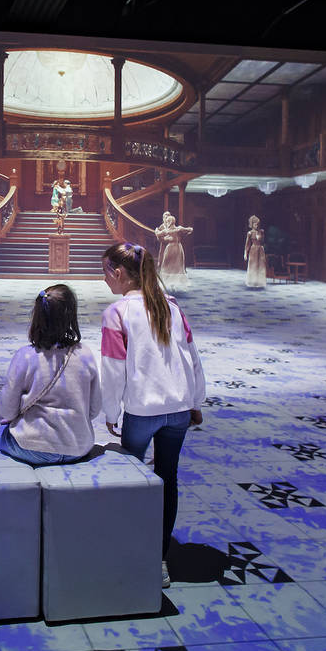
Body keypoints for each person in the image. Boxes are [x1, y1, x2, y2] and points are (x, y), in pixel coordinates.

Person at [100, 242, 206, 588]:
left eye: (105, 272)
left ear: (118, 273)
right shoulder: (171, 306)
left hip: (142, 410)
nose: (104, 280)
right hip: (177, 410)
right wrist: (195, 401)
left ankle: (130, 550)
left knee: (131, 482)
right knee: (167, 479)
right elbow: (192, 356)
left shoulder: (117, 313)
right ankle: (160, 559)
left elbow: (114, 369)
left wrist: (110, 411)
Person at [0, 284, 102, 465]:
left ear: (37, 316)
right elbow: (94, 409)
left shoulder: (25, 356)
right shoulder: (84, 353)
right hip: (79, 447)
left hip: (32, 446)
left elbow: (7, 411)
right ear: (71, 315)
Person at [155, 212, 194, 292]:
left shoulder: (170, 230)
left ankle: (172, 283)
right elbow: (190, 230)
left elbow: (158, 234)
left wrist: (157, 231)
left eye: (168, 219)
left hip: (172, 248)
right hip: (175, 248)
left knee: (172, 266)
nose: (166, 220)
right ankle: (168, 283)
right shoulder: (175, 229)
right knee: (168, 265)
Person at [243, 215, 266, 289]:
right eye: (255, 224)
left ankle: (259, 282)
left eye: (257, 224)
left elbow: (263, 241)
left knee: (260, 266)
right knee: (253, 265)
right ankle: (252, 281)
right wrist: (245, 253)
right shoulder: (249, 233)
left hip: (260, 250)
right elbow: (247, 244)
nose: (257, 225)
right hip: (253, 250)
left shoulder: (261, 232)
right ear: (252, 224)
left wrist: (261, 236)